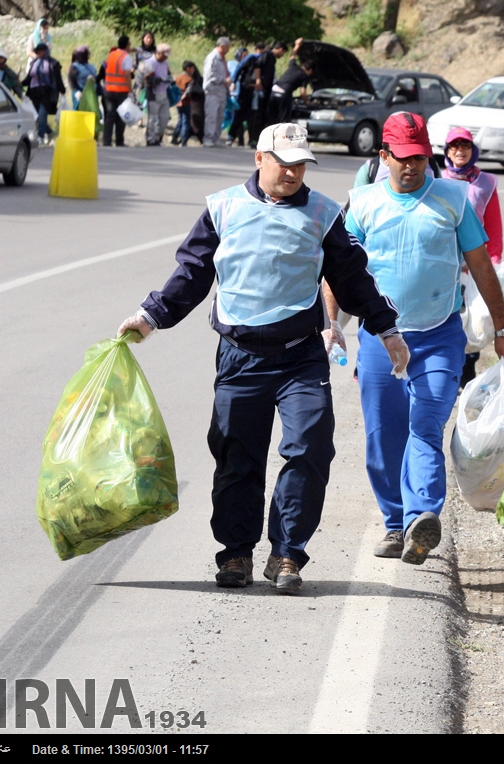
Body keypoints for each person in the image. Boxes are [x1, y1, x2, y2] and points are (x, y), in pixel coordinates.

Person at [116, 123, 410, 593]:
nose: (293, 172)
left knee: (310, 448)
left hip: (301, 358)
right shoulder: (223, 207)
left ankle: (287, 554)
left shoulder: (324, 214)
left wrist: (387, 329)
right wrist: (150, 316)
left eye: (300, 165)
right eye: (284, 163)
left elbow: (354, 279)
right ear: (260, 158)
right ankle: (236, 554)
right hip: (239, 358)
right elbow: (191, 274)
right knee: (237, 456)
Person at [329, 112, 504, 565]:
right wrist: (332, 323)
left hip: (439, 336)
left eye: (419, 157)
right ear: (384, 156)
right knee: (383, 435)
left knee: (426, 425)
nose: (411, 166)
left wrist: (503, 327)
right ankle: (395, 525)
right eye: (402, 158)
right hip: (379, 339)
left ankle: (422, 517)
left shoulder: (453, 199)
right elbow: (338, 269)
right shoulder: (363, 202)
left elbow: (480, 265)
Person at [442, 126, 504, 386]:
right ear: (446, 151)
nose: (460, 151)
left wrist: (494, 259)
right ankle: (449, 366)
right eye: (454, 146)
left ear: (473, 150)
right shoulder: (437, 179)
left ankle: (468, 368)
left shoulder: (485, 183)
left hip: (474, 261)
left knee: (476, 319)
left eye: (465, 145)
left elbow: (493, 224)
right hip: (445, 261)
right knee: (451, 313)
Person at [21, 42, 65, 145]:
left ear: (46, 51)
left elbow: (58, 79)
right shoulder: (34, 63)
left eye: (42, 51)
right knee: (36, 115)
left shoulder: (53, 63)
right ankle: (49, 131)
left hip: (47, 93)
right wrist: (20, 83)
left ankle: (40, 136)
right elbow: (29, 78)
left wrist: (62, 90)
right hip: (34, 93)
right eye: (38, 51)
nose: (40, 53)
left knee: (42, 114)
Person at [267, 38, 309, 126]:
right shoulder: (304, 76)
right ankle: (282, 138)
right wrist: (308, 102)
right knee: (283, 120)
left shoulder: (293, 66)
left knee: (272, 117)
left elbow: (292, 56)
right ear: (310, 70)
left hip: (274, 91)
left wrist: (297, 45)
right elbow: (303, 93)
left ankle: (270, 136)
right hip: (284, 94)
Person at [102, 35, 135, 147]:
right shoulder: (126, 57)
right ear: (127, 45)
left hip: (109, 90)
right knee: (121, 116)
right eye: (129, 45)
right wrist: (130, 91)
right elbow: (127, 75)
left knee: (110, 116)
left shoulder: (111, 55)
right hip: (121, 90)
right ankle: (119, 141)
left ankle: (106, 141)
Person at [251, 42, 286, 145]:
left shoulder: (272, 58)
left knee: (265, 115)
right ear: (280, 49)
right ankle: (254, 139)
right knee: (258, 115)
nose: (282, 55)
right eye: (283, 53)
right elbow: (257, 65)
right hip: (262, 89)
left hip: (267, 90)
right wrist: (258, 81)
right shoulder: (267, 54)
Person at [139, 43, 172, 146]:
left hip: (164, 94)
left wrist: (169, 79)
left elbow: (168, 73)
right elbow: (148, 80)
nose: (166, 57)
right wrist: (160, 79)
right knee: (152, 119)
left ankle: (158, 137)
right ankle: (150, 139)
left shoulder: (165, 62)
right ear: (158, 53)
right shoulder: (150, 63)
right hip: (153, 95)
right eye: (164, 55)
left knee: (164, 118)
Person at [202, 37, 233, 147]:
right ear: (221, 46)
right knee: (212, 115)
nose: (228, 50)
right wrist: (223, 80)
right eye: (227, 47)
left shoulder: (223, 58)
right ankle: (208, 138)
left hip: (222, 91)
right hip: (212, 90)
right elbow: (210, 75)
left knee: (220, 116)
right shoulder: (212, 57)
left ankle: (216, 138)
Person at [229, 44, 261, 146]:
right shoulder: (234, 65)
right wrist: (233, 82)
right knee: (238, 117)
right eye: (244, 55)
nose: (245, 58)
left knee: (251, 118)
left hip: (252, 93)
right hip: (240, 94)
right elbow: (235, 74)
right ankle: (232, 138)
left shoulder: (255, 62)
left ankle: (251, 140)